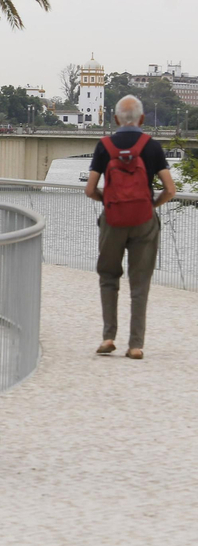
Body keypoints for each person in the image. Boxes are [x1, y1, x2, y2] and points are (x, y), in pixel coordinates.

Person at [86, 94, 176, 360]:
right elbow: (170, 189)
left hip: (112, 221)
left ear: (115, 119)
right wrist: (150, 205)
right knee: (140, 282)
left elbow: (90, 189)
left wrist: (110, 202)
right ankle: (135, 345)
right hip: (144, 221)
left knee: (108, 277)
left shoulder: (104, 146)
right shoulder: (152, 147)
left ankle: (108, 337)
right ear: (142, 119)